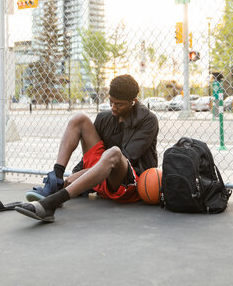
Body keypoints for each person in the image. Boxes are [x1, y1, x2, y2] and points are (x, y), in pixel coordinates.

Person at [15, 74, 159, 222]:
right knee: (79, 118)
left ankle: (51, 203)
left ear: (133, 102)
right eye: (111, 102)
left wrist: (80, 176)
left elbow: (128, 158)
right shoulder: (105, 118)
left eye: (119, 104)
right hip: (101, 171)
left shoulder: (148, 120)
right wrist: (77, 174)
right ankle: (56, 179)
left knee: (114, 152)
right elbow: (92, 156)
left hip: (128, 181)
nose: (113, 107)